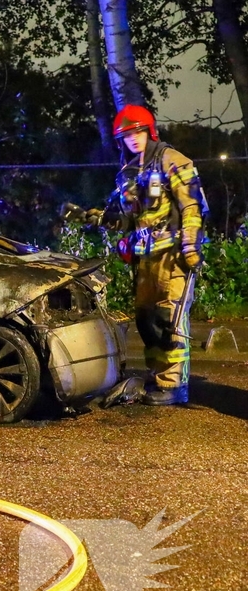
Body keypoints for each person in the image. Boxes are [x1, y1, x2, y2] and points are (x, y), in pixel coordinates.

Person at [111, 104, 207, 405]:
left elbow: (192, 206)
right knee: (147, 319)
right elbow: (129, 218)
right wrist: (101, 219)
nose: (134, 139)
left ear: (149, 131)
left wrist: (190, 247)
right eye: (127, 135)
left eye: (138, 131)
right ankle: (158, 376)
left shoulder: (172, 161)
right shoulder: (129, 172)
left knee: (170, 319)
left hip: (173, 257)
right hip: (145, 260)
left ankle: (175, 385)